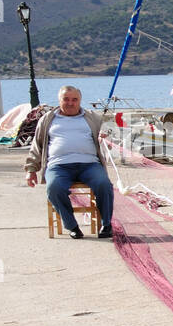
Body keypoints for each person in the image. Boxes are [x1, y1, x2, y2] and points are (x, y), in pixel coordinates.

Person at [25, 86, 115, 239]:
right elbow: (37, 145)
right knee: (54, 188)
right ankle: (72, 226)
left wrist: (108, 134)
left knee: (104, 184)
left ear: (80, 101)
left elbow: (112, 127)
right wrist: (31, 169)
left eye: (74, 100)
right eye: (66, 99)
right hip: (58, 166)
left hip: (89, 164)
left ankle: (106, 224)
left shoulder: (92, 117)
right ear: (59, 100)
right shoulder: (47, 119)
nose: (70, 103)